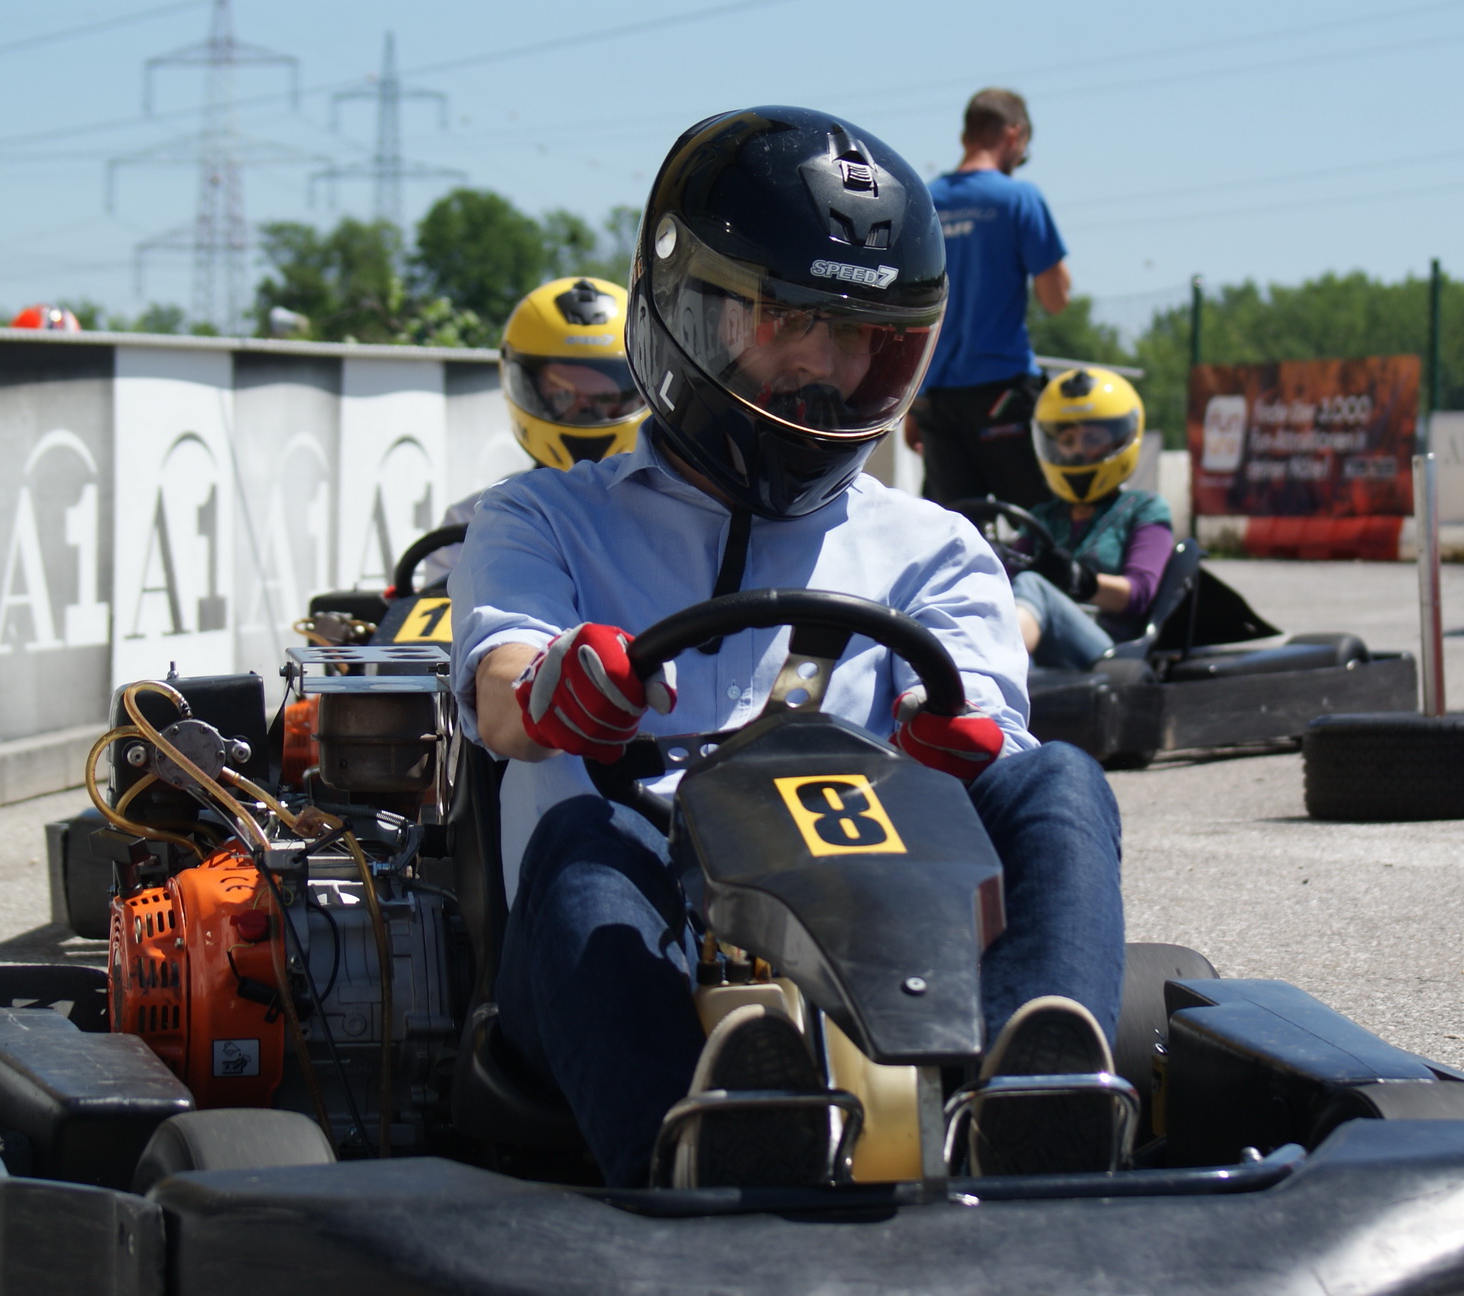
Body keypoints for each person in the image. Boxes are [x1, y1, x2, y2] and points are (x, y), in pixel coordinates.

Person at [451, 106, 1125, 1191]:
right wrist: (554, 689)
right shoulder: (544, 519)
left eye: (858, 337)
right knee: (585, 837)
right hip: (614, 952)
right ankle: (698, 1149)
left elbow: (987, 719)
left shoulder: (935, 549)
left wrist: (956, 740)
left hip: (879, 943)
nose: (824, 366)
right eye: (789, 320)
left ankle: (1029, 1117)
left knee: (1059, 781)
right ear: (690, 310)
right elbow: (499, 683)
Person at [409, 277, 648, 589]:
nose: (585, 410)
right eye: (563, 395)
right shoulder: (470, 520)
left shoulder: (680, 515)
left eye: (605, 397)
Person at [909, 88, 1072, 510]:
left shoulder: (925, 199)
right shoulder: (1019, 198)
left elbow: (908, 303)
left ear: (967, 134)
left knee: (953, 527)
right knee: (1039, 522)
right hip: (1003, 393)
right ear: (1014, 135)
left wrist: (912, 402)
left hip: (936, 396)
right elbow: (1056, 299)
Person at [1010, 368, 1173, 670]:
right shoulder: (1042, 516)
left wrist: (1077, 579)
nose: (1078, 450)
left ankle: (991, 669)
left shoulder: (1144, 508)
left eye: (1093, 438)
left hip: (1111, 653)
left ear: (1120, 441)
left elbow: (1138, 595)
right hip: (1049, 645)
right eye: (1068, 440)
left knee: (1033, 586)